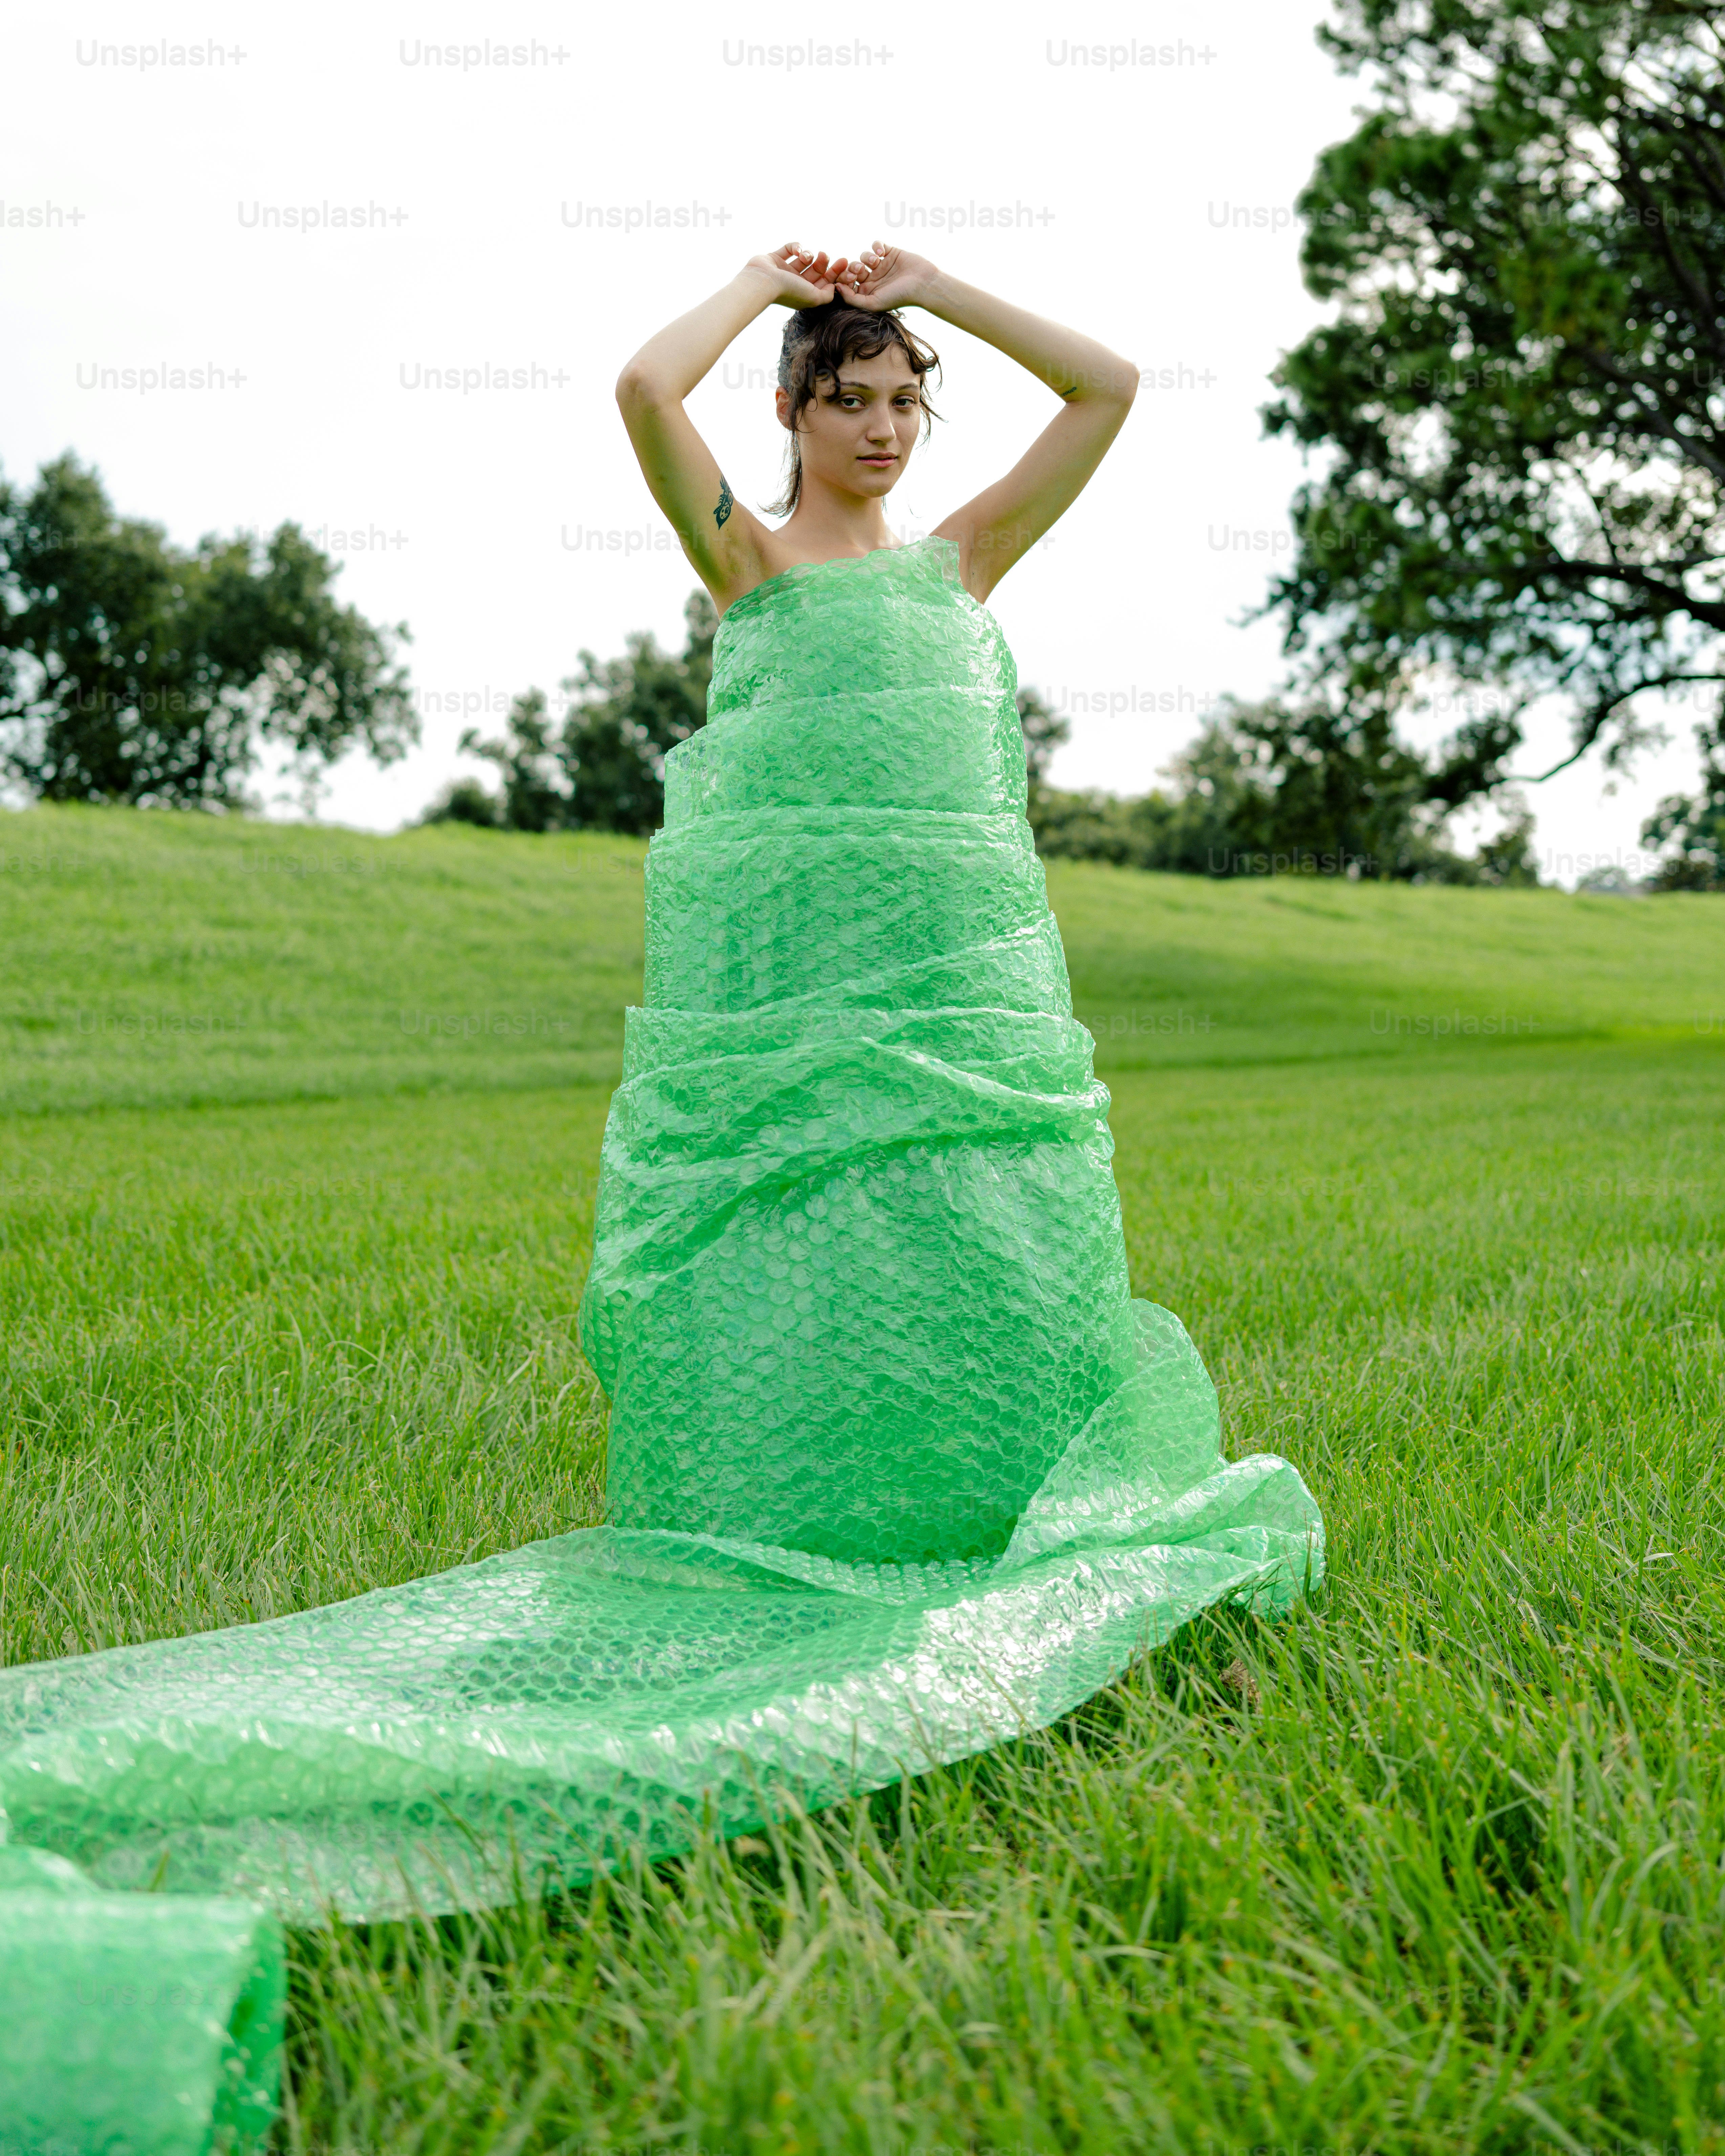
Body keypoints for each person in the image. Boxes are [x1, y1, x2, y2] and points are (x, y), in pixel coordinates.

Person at [0, 241, 1323, 2153]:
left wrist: (936, 282)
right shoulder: (750, 563)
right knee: (797, 1243)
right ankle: (789, 1506)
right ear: (788, 413)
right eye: (845, 396)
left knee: (970, 1235)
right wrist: (754, 282)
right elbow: (638, 390)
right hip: (789, 1002)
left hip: (952, 998)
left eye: (899, 400)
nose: (878, 427)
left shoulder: (963, 564)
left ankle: (970, 1498)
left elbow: (1110, 387)